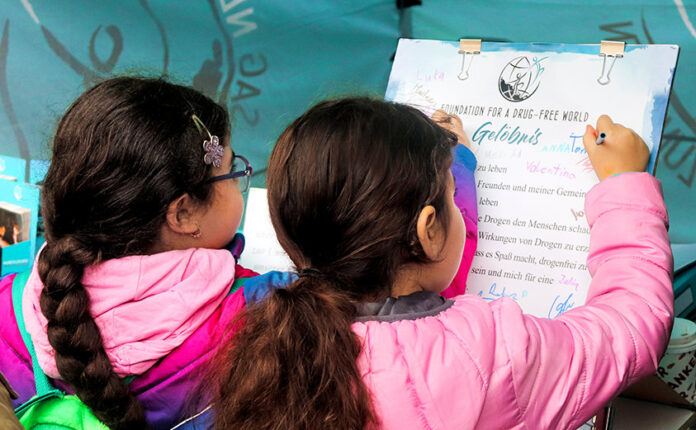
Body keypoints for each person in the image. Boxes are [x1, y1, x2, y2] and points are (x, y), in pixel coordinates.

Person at [208, 98, 673, 429]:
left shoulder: (264, 344)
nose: (457, 204)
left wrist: (458, 165)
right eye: (452, 195)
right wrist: (625, 183)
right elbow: (631, 324)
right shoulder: (493, 349)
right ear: (428, 230)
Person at [0, 76, 262, 430]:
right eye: (230, 171)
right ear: (183, 213)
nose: (239, 179)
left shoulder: (7, 300)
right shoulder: (261, 318)